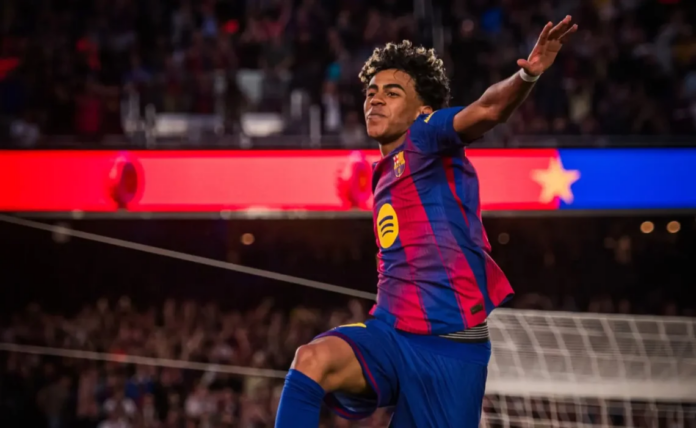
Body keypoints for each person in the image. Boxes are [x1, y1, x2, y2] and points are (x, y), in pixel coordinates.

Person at [275, 16, 578, 428]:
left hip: (449, 350)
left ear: (423, 109)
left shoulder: (425, 135)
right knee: (312, 360)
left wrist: (527, 75)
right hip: (390, 334)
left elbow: (488, 109)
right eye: (371, 92)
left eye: (392, 92)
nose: (375, 100)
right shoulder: (383, 173)